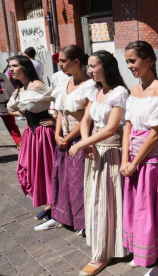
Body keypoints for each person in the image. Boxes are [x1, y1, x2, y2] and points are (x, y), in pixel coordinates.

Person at [68, 50, 129, 276]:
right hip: (95, 152)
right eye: (89, 66)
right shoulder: (95, 91)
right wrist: (87, 142)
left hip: (112, 153)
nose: (90, 70)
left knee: (110, 201)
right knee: (96, 200)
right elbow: (86, 120)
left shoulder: (119, 92)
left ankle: (105, 252)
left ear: (107, 66)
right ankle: (101, 245)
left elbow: (112, 128)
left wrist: (81, 144)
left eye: (93, 66)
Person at [121, 40, 158, 275]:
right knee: (137, 208)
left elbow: (154, 134)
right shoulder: (134, 90)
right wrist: (124, 160)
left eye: (133, 60)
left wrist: (134, 162)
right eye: (127, 61)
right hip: (133, 159)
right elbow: (128, 127)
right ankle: (143, 251)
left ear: (148, 61)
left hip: (152, 161)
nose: (129, 66)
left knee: (154, 211)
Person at [33, 45, 93, 232]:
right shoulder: (63, 84)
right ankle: (60, 216)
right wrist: (58, 135)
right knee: (61, 178)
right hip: (63, 139)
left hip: (79, 138)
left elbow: (86, 118)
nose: (60, 64)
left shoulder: (90, 85)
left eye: (63, 61)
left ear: (76, 62)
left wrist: (68, 137)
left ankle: (82, 222)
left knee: (78, 181)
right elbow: (60, 112)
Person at [6, 56, 55, 216]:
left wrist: (55, 119)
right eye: (9, 66)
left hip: (43, 132)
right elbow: (11, 110)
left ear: (25, 67)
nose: (11, 69)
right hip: (30, 134)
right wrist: (24, 114)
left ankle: (52, 204)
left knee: (46, 168)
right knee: (32, 168)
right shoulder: (20, 88)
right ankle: (48, 202)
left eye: (14, 66)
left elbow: (59, 101)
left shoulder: (37, 85)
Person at [0, 72, 22, 148]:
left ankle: (19, 142)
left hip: (4, 105)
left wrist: (12, 103)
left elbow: (11, 90)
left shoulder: (2, 76)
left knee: (11, 125)